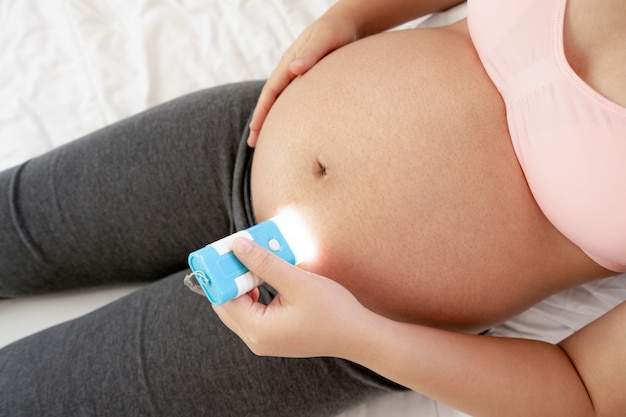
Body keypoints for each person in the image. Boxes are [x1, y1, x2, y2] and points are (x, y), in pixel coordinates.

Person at [0, 0, 624, 416]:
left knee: (28, 396)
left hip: (322, 325)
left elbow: (584, 391)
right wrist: (355, 15)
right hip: (241, 138)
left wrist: (356, 335)